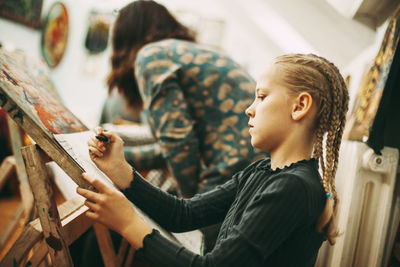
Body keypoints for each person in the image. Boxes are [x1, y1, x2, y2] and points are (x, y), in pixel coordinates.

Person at [77, 53, 349, 266]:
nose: (249, 109)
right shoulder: (262, 172)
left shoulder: (293, 189)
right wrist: (121, 170)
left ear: (299, 106)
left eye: (262, 97)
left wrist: (127, 223)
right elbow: (182, 214)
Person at [105, 0, 263, 201]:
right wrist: (117, 155)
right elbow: (173, 147)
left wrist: (188, 208)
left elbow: (178, 143)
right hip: (256, 175)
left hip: (230, 175)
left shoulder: (151, 56)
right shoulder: (193, 52)